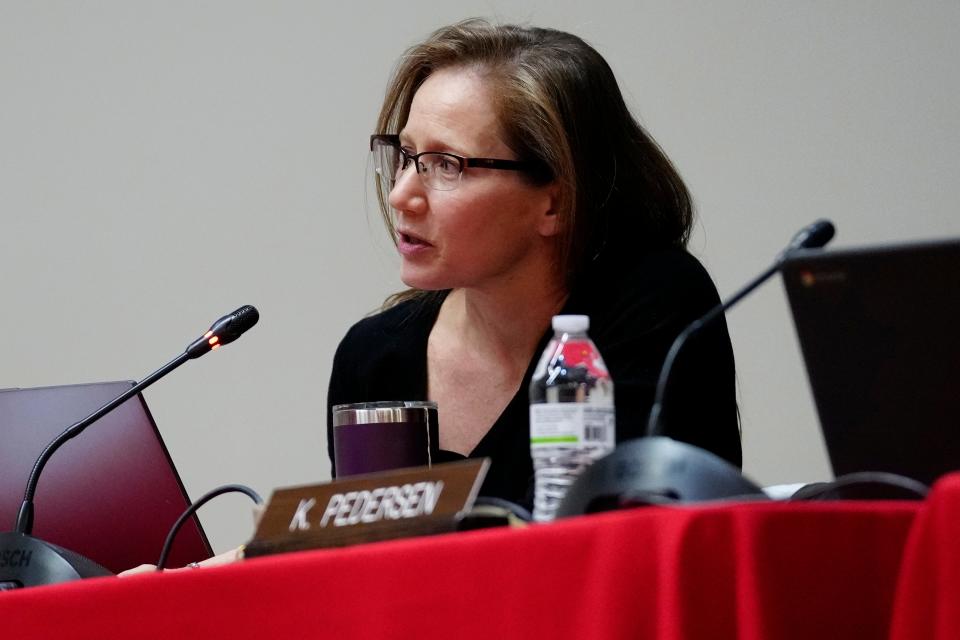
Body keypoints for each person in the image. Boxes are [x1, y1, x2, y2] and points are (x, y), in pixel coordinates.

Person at [327, 19, 740, 510]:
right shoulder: (375, 360)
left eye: (446, 165)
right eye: (407, 155)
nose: (401, 196)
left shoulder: (655, 306)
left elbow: (629, 538)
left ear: (556, 202)